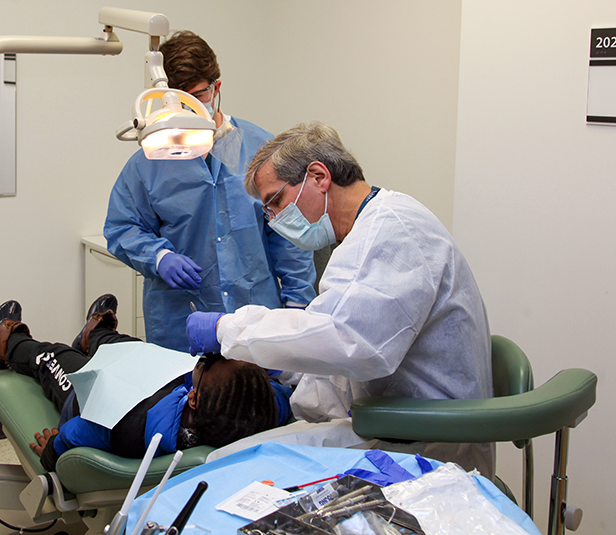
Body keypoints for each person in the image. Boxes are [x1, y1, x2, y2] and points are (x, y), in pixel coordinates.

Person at [186, 121, 494, 474]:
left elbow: (349, 343)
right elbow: (343, 358)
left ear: (319, 177)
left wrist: (229, 328)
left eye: (275, 202)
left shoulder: (394, 230)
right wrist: (289, 384)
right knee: (232, 461)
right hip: (394, 427)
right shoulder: (365, 234)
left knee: (228, 467)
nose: (273, 222)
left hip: (430, 445)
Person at [104, 31, 316, 352]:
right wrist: (159, 257)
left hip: (255, 320)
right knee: (185, 401)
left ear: (215, 88)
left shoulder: (261, 150)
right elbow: (122, 227)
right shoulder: (151, 159)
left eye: (196, 96)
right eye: (176, 101)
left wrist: (299, 310)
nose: (186, 109)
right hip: (181, 323)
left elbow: (291, 237)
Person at [0, 296, 291, 471]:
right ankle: (94, 335)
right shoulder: (264, 406)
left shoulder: (125, 423)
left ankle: (9, 342)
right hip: (151, 374)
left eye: (209, 361)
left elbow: (74, 434)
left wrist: (51, 450)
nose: (209, 354)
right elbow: (278, 389)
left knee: (57, 357)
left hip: (94, 394)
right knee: (127, 345)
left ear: (194, 398)